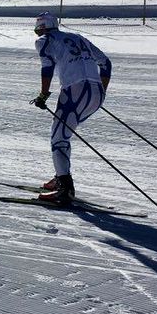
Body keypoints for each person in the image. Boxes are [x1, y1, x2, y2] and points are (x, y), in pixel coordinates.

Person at [30, 12, 111, 205]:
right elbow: (106, 63)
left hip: (74, 92)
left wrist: (43, 94)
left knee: (58, 137)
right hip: (96, 93)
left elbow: (47, 67)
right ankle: (61, 176)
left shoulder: (44, 40)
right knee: (63, 134)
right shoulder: (77, 37)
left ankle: (65, 190)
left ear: (40, 28)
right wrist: (100, 90)